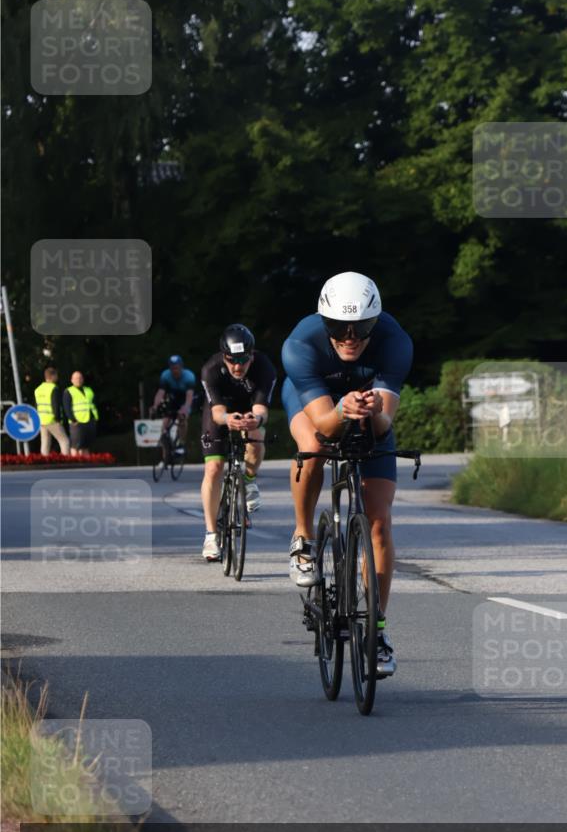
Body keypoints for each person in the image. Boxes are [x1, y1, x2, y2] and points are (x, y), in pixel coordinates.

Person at [281, 271, 413, 678]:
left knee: (379, 524)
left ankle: (376, 630)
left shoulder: (395, 342)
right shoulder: (300, 345)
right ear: (325, 323)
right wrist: (342, 410)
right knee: (314, 447)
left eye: (361, 328)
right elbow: (323, 422)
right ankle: (304, 536)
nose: (350, 337)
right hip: (315, 402)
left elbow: (384, 425)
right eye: (339, 328)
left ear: (377, 322)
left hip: (367, 410)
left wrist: (372, 412)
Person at [200, 324, 277, 561]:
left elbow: (261, 409)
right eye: (231, 360)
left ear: (251, 356)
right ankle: (211, 535)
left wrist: (256, 419)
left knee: (256, 437)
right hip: (220, 411)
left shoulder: (265, 368)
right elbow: (217, 413)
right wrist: (226, 420)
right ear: (223, 357)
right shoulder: (211, 369)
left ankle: (249, 481)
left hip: (248, 409)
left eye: (243, 360)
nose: (237, 366)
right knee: (214, 468)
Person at [150, 355, 196, 449]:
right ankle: (165, 450)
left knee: (182, 419)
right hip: (173, 399)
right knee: (165, 421)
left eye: (177, 368)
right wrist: (155, 406)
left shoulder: (189, 376)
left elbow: (189, 396)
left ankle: (181, 443)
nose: (175, 371)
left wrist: (185, 409)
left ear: (181, 367)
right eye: (172, 368)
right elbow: (160, 392)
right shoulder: (165, 375)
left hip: (185, 400)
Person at [34, 367, 70, 455]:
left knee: (45, 443)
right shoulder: (53, 388)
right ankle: (66, 461)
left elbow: (36, 405)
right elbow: (55, 405)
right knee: (64, 441)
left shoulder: (38, 389)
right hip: (52, 419)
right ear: (52, 376)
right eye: (56, 375)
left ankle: (43, 462)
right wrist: (58, 418)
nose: (57, 377)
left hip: (41, 420)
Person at [63, 371, 98, 457]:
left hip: (89, 420)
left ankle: (87, 464)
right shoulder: (69, 391)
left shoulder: (88, 390)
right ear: (72, 380)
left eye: (80, 378)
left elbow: (93, 404)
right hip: (77, 422)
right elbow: (67, 407)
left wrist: (94, 418)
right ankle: (75, 463)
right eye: (76, 378)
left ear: (82, 379)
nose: (78, 380)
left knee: (86, 445)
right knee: (75, 445)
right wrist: (73, 419)